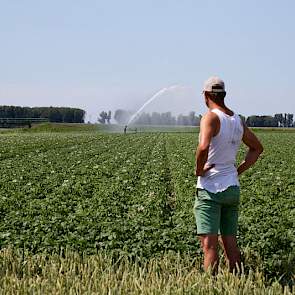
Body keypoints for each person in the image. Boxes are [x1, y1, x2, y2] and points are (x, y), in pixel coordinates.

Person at [194, 76, 263, 273]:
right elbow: (257, 148)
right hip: (232, 188)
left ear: (206, 95)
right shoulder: (237, 120)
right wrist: (236, 171)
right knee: (230, 241)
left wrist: (199, 170)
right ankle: (238, 280)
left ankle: (211, 285)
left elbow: (203, 147)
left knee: (209, 245)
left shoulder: (210, 117)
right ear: (223, 94)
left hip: (210, 189)